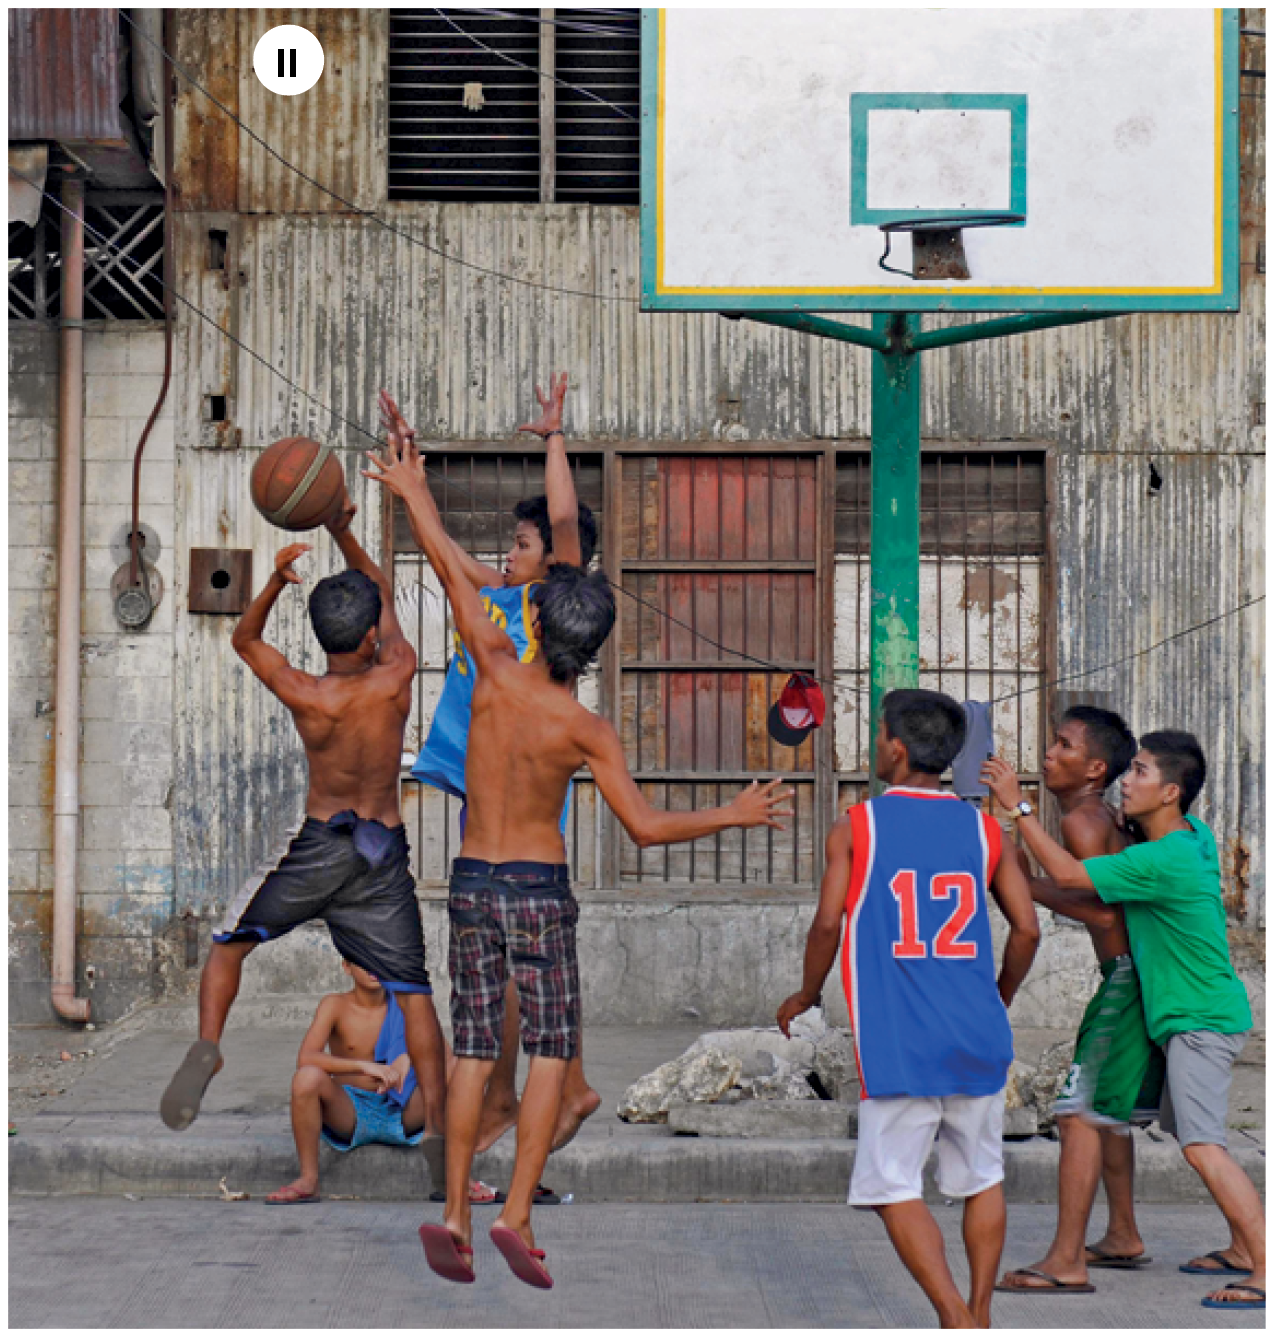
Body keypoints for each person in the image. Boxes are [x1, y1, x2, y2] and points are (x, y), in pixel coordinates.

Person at [365, 401, 793, 1289]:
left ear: (534, 613)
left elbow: (450, 572)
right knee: (552, 1048)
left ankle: (452, 1212)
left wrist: (414, 492)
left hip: (473, 882)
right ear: (590, 645)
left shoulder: (488, 668)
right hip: (539, 888)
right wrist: (734, 813)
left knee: (477, 1048)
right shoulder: (586, 725)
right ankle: (516, 1212)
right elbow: (644, 827)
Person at [160, 498, 447, 1169]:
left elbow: (245, 642)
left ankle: (208, 1043)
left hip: (319, 846)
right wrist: (342, 526)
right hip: (380, 851)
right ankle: (435, 1131)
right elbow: (379, 586)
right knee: (415, 990)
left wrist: (273, 584)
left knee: (230, 944)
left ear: (324, 641)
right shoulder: (397, 674)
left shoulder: (307, 694)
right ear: (372, 637)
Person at [777, 689, 1041, 1330]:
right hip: (976, 1035)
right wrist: (997, 998)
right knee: (982, 1177)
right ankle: (981, 1310)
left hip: (900, 1043)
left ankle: (954, 1315)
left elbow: (826, 924)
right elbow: (1029, 929)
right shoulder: (983, 829)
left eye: (876, 734)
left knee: (894, 1185)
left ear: (894, 747)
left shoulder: (858, 826)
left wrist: (807, 993)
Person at [391, 377, 601, 1168]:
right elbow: (446, 560)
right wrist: (414, 478)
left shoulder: (551, 604)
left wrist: (553, 439)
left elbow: (564, 523)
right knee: (505, 965)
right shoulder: (500, 598)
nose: (506, 556)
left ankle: (528, 1092)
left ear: (550, 562)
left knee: (514, 966)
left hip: (520, 804)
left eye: (519, 545)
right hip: (478, 788)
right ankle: (558, 1085)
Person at [984, 731, 1263, 1312]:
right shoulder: (1194, 839)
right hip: (1195, 1012)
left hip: (1197, 1017)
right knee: (1171, 1131)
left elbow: (1071, 878)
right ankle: (1240, 1247)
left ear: (1169, 793)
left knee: (1202, 1145)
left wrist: (1018, 808)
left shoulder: (1164, 858)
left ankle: (1265, 1264)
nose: (1124, 782)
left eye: (1137, 772)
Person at [997, 706, 1164, 1294]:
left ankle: (1066, 1259)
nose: (1049, 754)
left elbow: (1100, 909)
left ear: (1095, 768)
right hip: (1131, 975)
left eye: (1062, 745)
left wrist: (1020, 882)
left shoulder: (1084, 822)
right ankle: (1122, 1234)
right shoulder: (1092, 815)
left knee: (1075, 1115)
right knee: (1109, 1118)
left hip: (1125, 978)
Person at [266, 957, 430, 1206]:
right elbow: (307, 1057)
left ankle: (456, 1180)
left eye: (377, 957)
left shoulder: (406, 1003)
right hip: (351, 1110)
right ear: (347, 966)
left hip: (403, 1106)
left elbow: (442, 1052)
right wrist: (362, 1066)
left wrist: (408, 1057)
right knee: (306, 1078)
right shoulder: (335, 1005)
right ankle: (309, 1179)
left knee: (454, 1071)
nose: (373, 967)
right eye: (363, 959)